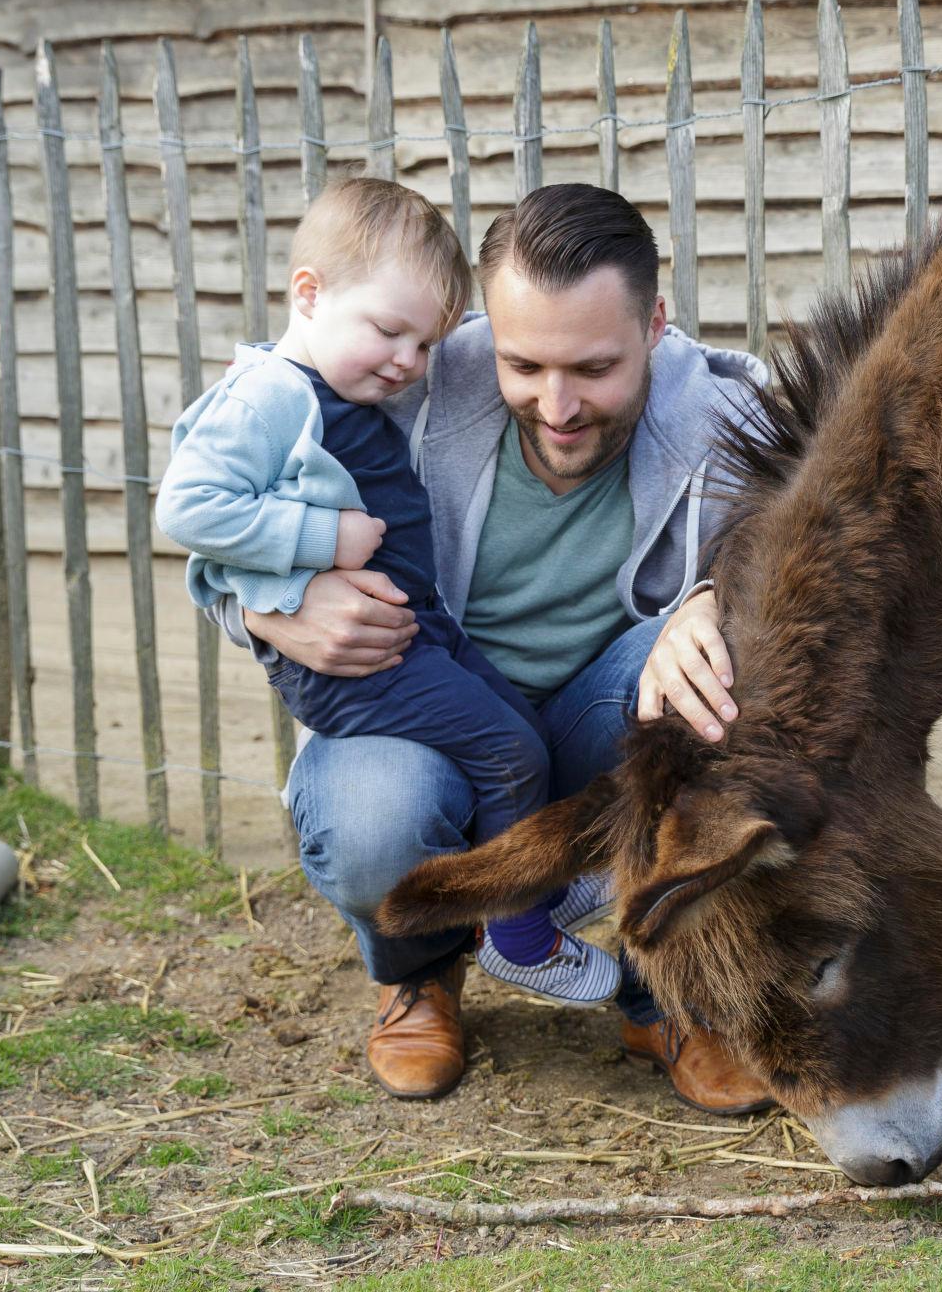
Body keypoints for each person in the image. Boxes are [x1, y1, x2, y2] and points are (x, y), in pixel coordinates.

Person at [208, 180, 771, 1110]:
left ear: (656, 325)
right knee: (373, 822)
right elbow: (220, 526)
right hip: (427, 716)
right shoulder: (402, 379)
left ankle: (667, 991)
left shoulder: (724, 416)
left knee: (717, 685)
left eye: (593, 368)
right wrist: (267, 613)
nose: (556, 405)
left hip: (600, 720)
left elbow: (813, 538)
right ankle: (423, 975)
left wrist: (717, 597)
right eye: (525, 364)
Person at [159, 179, 623, 1009]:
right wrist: (318, 545)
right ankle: (518, 943)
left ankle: (534, 893)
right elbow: (189, 506)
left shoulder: (349, 387)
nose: (408, 363)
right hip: (358, 666)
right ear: (310, 293)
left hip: (415, 632)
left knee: (518, 733)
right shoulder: (269, 395)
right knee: (509, 752)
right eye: (389, 332)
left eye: (422, 344)